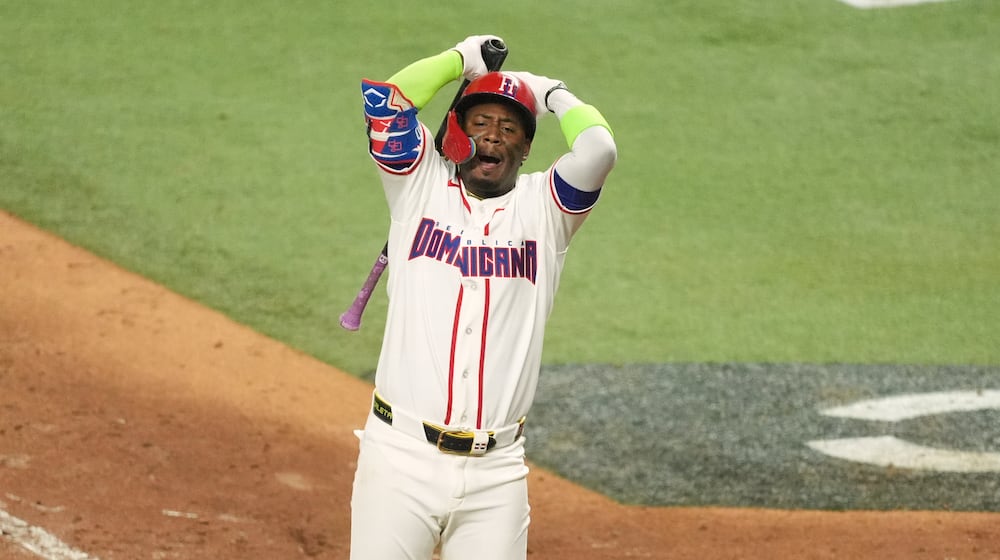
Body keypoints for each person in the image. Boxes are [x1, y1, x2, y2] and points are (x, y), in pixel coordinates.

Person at [350, 34, 617, 560]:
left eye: (509, 127)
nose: (493, 137)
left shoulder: (548, 211)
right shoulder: (417, 185)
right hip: (399, 458)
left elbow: (600, 149)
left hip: (497, 474)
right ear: (456, 136)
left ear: (525, 147)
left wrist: (551, 93)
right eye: (480, 124)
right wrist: (459, 60)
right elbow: (386, 102)